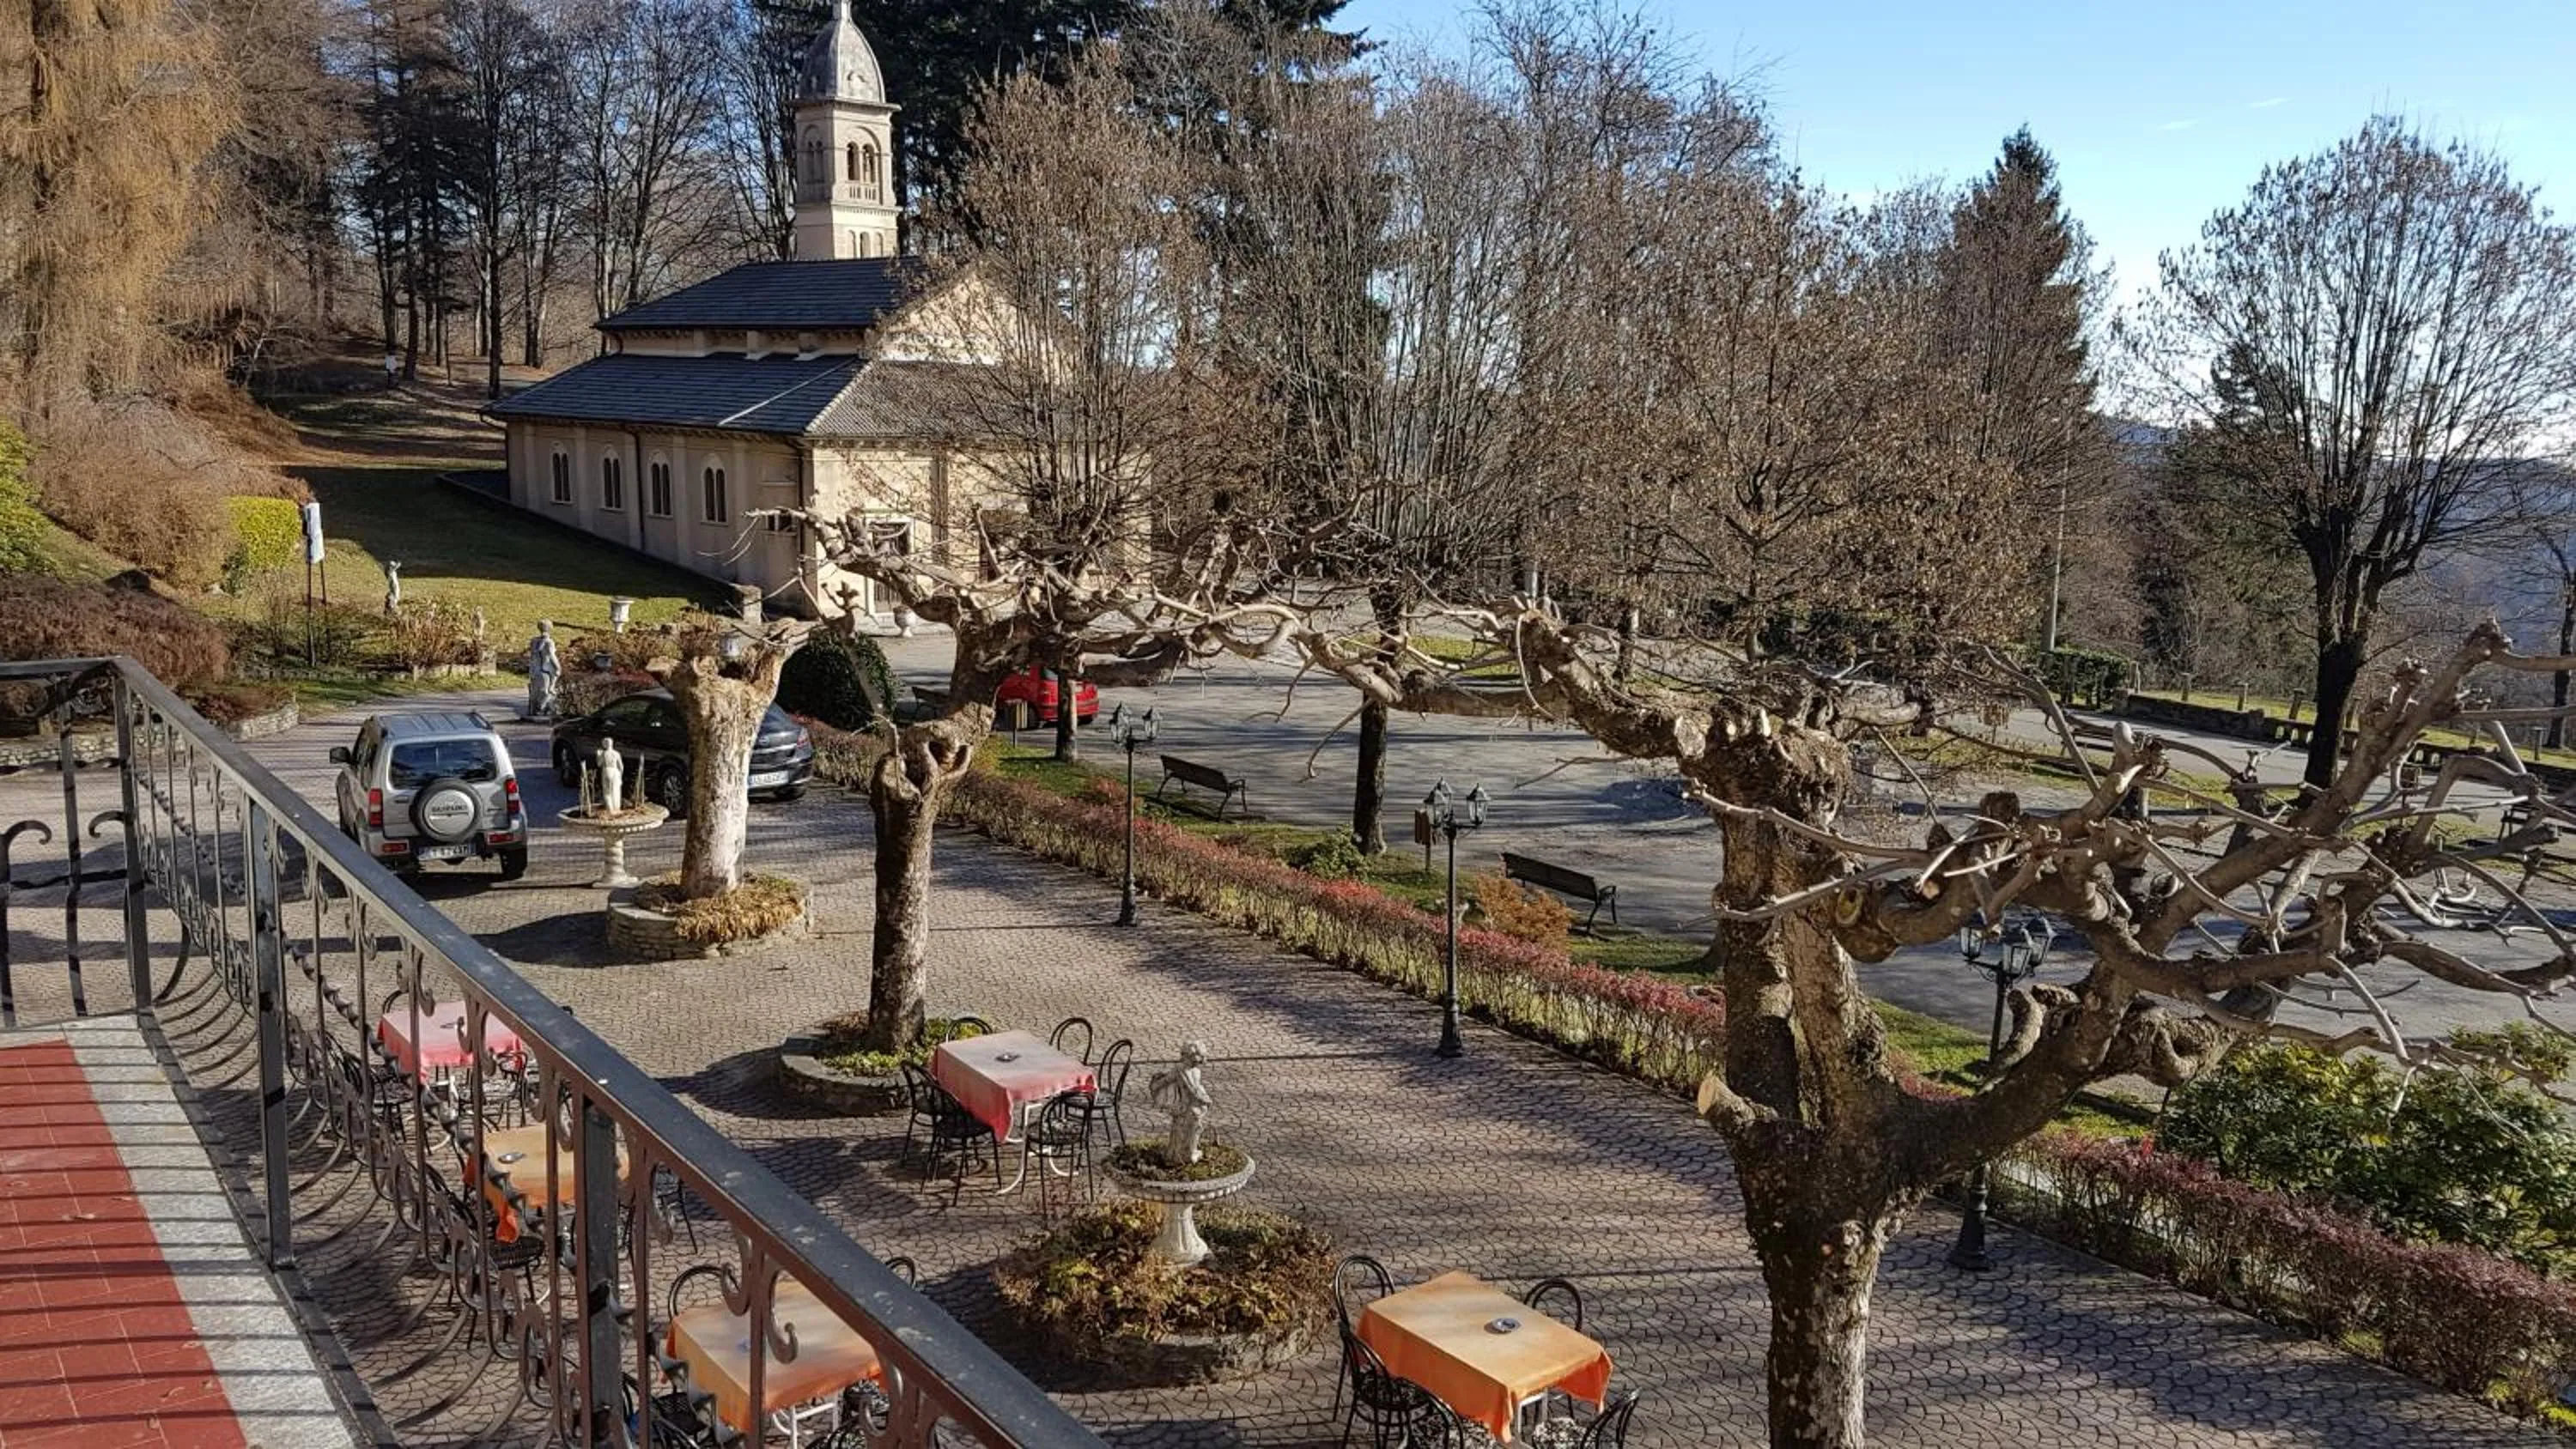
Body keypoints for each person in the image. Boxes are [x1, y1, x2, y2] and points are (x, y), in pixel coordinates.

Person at [526, 620, 561, 719]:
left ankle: (533, 710)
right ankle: (541, 710)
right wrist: (558, 667)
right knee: (546, 692)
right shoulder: (549, 642)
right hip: (544, 670)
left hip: (534, 670)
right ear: (550, 628)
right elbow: (551, 656)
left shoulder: (534, 641)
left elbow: (533, 656)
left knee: (535, 692)